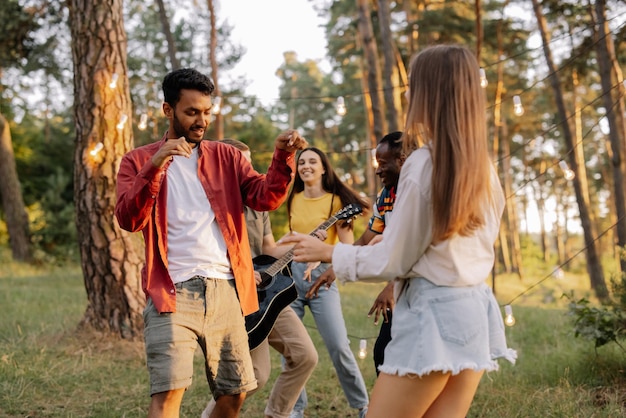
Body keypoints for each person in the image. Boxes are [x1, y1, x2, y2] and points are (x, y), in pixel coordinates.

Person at [279, 45, 517, 418]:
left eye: (413, 85)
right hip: (472, 310)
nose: (407, 94)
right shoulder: (481, 166)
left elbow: (395, 256)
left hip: (433, 315)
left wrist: (327, 252)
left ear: (432, 92)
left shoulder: (423, 164)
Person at [115, 68, 308, 418]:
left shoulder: (227, 157)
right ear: (167, 110)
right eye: (191, 112)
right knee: (168, 394)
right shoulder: (137, 160)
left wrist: (282, 159)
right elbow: (129, 218)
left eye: (206, 112)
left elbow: (265, 197)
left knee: (235, 394)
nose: (201, 120)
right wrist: (156, 165)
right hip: (171, 290)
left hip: (226, 290)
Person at [200, 138, 318, 418]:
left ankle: (276, 415)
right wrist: (238, 272)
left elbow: (268, 249)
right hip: (235, 299)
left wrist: (307, 243)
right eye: (242, 162)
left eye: (250, 162)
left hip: (268, 295)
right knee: (255, 375)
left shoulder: (259, 203)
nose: (248, 168)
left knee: (305, 357)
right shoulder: (209, 204)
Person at [306, 131, 405, 375]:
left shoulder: (417, 196)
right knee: (383, 352)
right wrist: (334, 268)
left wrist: (392, 287)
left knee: (393, 354)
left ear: (403, 159)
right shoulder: (386, 196)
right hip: (404, 287)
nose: (378, 171)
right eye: (376, 164)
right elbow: (365, 238)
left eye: (383, 163)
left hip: (422, 289)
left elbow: (416, 248)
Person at [285, 147, 370, 418]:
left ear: (324, 168)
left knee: (339, 346)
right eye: (302, 162)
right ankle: (295, 410)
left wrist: (324, 261)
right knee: (292, 351)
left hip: (323, 279)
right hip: (291, 277)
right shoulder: (293, 198)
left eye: (312, 161)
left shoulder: (337, 203)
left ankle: (363, 406)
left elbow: (346, 248)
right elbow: (293, 237)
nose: (306, 166)